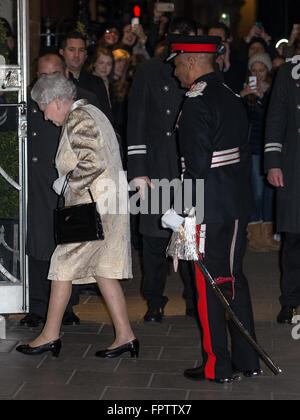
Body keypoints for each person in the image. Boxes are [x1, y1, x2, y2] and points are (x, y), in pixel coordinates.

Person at [16, 74, 137, 359]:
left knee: (60, 265)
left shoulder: (78, 118)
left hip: (89, 209)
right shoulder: (93, 111)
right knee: (104, 270)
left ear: (57, 101)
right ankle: (125, 336)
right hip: (106, 206)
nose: (45, 117)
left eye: (44, 108)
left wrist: (68, 182)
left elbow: (92, 162)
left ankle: (49, 335)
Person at [163, 35, 260, 383]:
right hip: (234, 202)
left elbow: (196, 165)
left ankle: (216, 365)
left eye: (177, 64)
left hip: (206, 206)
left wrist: (183, 211)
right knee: (234, 279)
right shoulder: (231, 96)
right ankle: (248, 360)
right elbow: (242, 156)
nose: (175, 72)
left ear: (191, 62)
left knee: (207, 284)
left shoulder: (195, 100)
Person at [21, 53, 102, 328]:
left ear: (65, 73)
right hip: (40, 181)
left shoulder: (82, 102)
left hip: (71, 181)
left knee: (70, 244)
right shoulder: (31, 102)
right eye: (42, 75)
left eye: (53, 74)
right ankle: (38, 307)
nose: (47, 80)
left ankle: (67, 307)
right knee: (39, 243)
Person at [127, 17, 198, 323]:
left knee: (191, 238)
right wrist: (138, 171)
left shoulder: (203, 72)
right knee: (154, 241)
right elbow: (137, 123)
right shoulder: (150, 71)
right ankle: (154, 300)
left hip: (188, 167)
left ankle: (195, 299)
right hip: (156, 169)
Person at [264, 60, 300, 324]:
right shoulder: (289, 71)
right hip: (294, 165)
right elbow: (275, 117)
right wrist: (273, 163)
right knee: (294, 240)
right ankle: (290, 301)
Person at [240, 52, 280, 252]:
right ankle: (255, 235)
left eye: (261, 70)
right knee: (256, 191)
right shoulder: (246, 93)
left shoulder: (274, 91)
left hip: (269, 148)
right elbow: (237, 121)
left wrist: (263, 99)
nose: (258, 74)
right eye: (254, 70)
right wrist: (243, 96)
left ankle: (269, 234)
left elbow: (274, 118)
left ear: (267, 71)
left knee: (269, 192)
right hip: (253, 148)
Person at [59, 31, 113, 123]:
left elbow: (106, 117)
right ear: (62, 52)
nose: (76, 55)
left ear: (85, 55)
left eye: (81, 50)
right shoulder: (56, 82)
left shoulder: (97, 82)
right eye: (71, 49)